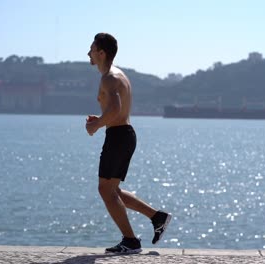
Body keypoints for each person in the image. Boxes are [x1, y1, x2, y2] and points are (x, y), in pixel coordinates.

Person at [85, 33, 171, 254]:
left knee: (105, 190)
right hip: (124, 134)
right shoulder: (119, 75)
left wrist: (96, 125)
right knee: (112, 189)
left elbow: (115, 108)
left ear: (101, 53)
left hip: (119, 136)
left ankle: (131, 241)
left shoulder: (109, 78)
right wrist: (101, 119)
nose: (88, 53)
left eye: (92, 49)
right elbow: (115, 111)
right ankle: (157, 217)